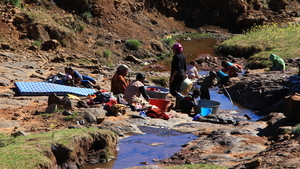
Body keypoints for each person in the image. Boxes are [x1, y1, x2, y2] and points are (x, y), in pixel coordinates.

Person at [169, 43, 187, 107]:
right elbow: (185, 68)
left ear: (176, 50)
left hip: (178, 75)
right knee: (178, 90)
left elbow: (177, 69)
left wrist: (172, 77)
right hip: (182, 75)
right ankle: (178, 105)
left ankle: (182, 98)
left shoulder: (176, 57)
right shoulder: (183, 56)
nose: (172, 50)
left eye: (173, 49)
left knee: (172, 91)